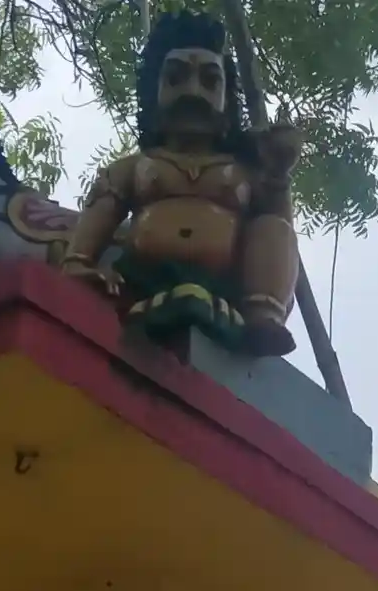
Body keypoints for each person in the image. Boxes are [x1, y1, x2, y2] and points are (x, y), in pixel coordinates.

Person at [61, 10, 301, 356]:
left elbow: (278, 229)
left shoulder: (245, 172)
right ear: (152, 92)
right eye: (175, 79)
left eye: (209, 81)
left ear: (227, 97)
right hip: (140, 282)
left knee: (274, 227)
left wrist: (278, 175)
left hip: (225, 288)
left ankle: (263, 317)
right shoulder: (133, 167)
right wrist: (78, 264)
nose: (193, 92)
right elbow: (102, 212)